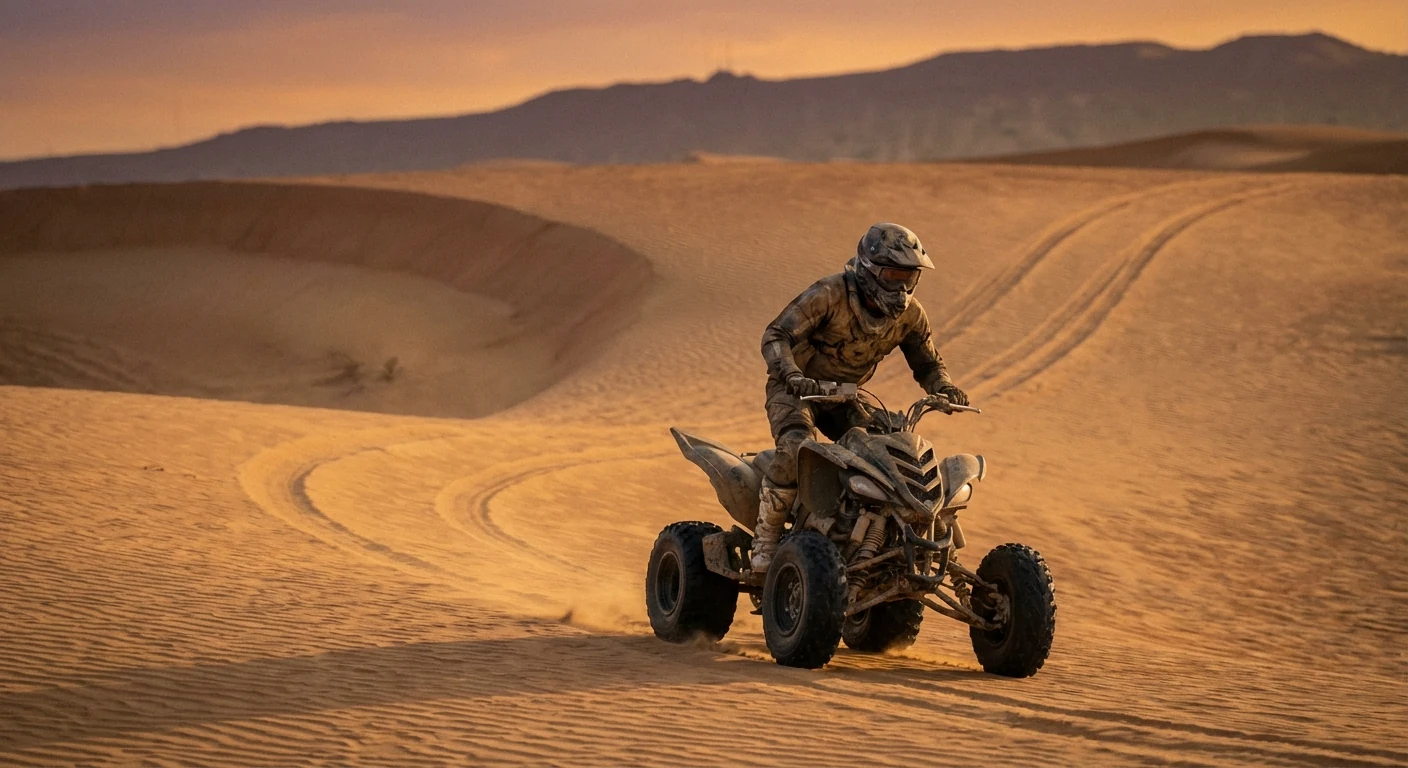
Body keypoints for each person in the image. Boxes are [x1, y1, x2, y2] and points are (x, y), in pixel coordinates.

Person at [752, 223, 968, 571]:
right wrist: (792, 375)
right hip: (796, 389)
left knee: (888, 454)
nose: (901, 288)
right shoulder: (829, 294)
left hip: (848, 397)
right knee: (795, 449)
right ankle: (764, 541)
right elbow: (776, 335)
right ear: (869, 270)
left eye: (909, 278)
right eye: (893, 276)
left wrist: (942, 386)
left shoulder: (911, 315)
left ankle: (868, 539)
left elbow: (927, 362)